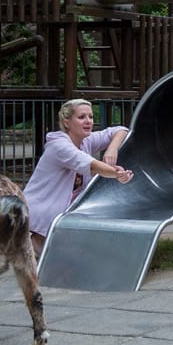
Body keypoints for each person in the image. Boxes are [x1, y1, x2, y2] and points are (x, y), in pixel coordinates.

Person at [22, 99, 134, 256]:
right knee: (54, 254)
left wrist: (112, 149)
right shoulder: (59, 145)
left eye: (91, 117)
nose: (88, 121)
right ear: (67, 123)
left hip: (65, 210)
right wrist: (116, 173)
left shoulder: (85, 140)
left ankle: (32, 251)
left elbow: (121, 130)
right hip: (44, 207)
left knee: (70, 252)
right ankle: (26, 249)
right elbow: (92, 165)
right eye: (81, 117)